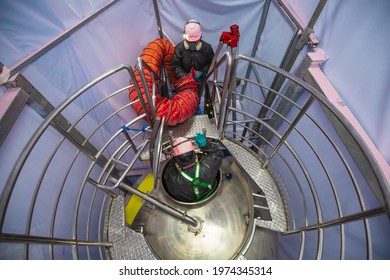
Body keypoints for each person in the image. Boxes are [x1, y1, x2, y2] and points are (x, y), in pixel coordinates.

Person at [163, 132, 223, 202]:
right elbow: (217, 153)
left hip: (187, 201)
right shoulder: (209, 165)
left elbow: (171, 166)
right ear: (194, 154)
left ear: (176, 159)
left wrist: (177, 152)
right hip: (208, 192)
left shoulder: (171, 178)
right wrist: (206, 145)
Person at [171, 19, 214, 96]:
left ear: (201, 35)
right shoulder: (179, 48)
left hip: (200, 80)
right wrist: (186, 76)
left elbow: (212, 63)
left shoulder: (207, 48)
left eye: (195, 40)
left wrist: (202, 72)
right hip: (184, 81)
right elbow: (175, 66)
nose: (192, 43)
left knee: (197, 97)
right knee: (184, 98)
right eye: (190, 40)